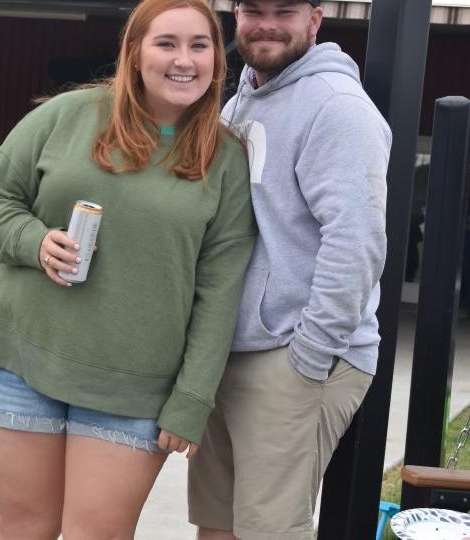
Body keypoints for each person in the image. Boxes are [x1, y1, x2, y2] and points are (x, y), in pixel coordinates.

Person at [0, 0, 255, 538]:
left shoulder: (225, 160)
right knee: (25, 527)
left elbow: (219, 292)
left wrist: (192, 398)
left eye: (199, 46)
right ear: (134, 52)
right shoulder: (66, 116)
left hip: (133, 390)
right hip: (24, 361)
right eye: (166, 43)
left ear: (218, 60)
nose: (184, 60)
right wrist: (35, 241)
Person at [188, 1, 392, 539]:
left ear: (315, 20)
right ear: (236, 16)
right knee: (217, 527)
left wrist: (310, 356)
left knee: (269, 532)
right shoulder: (239, 102)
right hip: (233, 351)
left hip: (294, 355)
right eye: (254, 10)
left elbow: (357, 241)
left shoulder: (337, 107)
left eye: (285, 11)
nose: (267, 24)